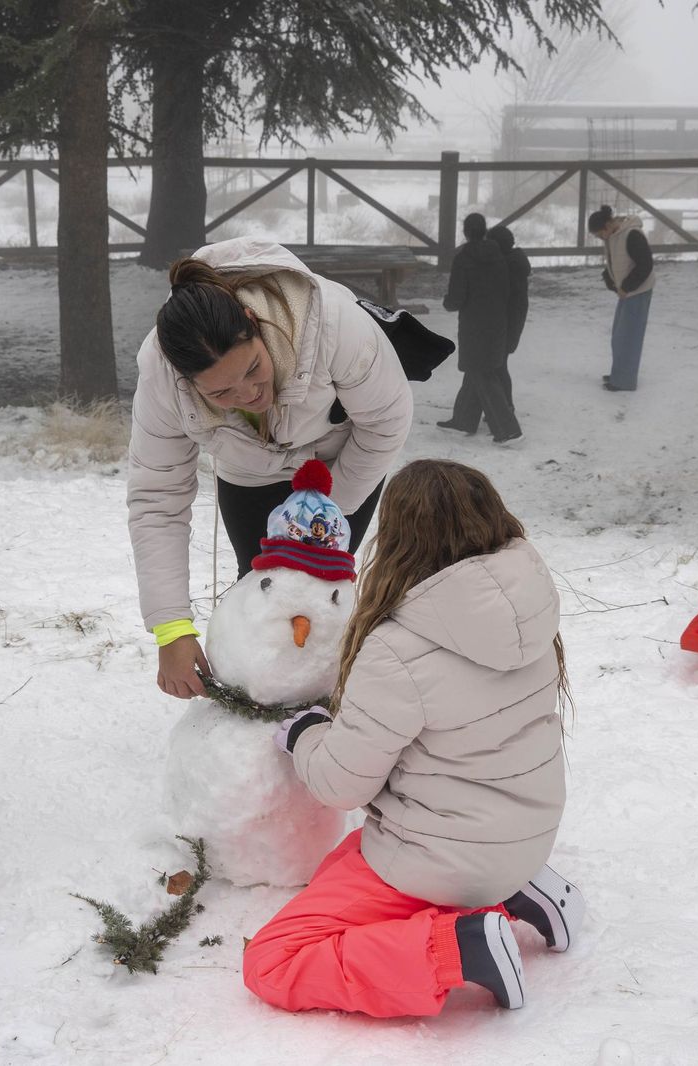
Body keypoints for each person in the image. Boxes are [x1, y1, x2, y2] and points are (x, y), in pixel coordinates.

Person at [244, 458, 582, 1017]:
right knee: (343, 861)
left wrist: (306, 735)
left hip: (444, 863)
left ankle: (463, 949)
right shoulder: (530, 608)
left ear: (399, 539)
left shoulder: (398, 648)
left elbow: (341, 785)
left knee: (273, 961)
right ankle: (518, 891)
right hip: (523, 837)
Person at [127, 236, 413, 701]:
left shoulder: (333, 323)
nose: (248, 395)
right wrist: (171, 627)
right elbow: (157, 497)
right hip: (250, 473)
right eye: (220, 393)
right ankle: (265, 703)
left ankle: (328, 699)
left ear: (253, 322)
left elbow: (387, 421)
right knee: (263, 592)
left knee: (319, 586)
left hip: (340, 463)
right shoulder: (162, 377)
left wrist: (318, 519)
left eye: (253, 369)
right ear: (186, 381)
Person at [438, 213, 520, 444]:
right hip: (497, 323)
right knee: (477, 370)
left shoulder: (463, 259)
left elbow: (456, 299)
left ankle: (508, 430)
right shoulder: (499, 256)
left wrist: (447, 302)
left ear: (466, 232)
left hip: (474, 326)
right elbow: (507, 290)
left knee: (482, 373)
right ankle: (463, 421)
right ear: (484, 231)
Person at [589, 204, 656, 392]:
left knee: (629, 338)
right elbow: (617, 262)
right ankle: (619, 374)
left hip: (638, 291)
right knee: (619, 336)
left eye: (599, 234)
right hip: (628, 292)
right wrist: (610, 280)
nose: (601, 238)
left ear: (608, 225)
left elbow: (645, 264)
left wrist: (626, 287)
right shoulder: (614, 236)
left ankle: (624, 381)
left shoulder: (632, 235)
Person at [488, 222, 530, 416]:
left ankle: (506, 407)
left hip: (504, 327)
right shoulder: (514, 263)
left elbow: (500, 299)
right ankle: (500, 406)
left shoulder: (507, 268)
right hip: (509, 325)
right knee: (498, 365)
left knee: (498, 366)